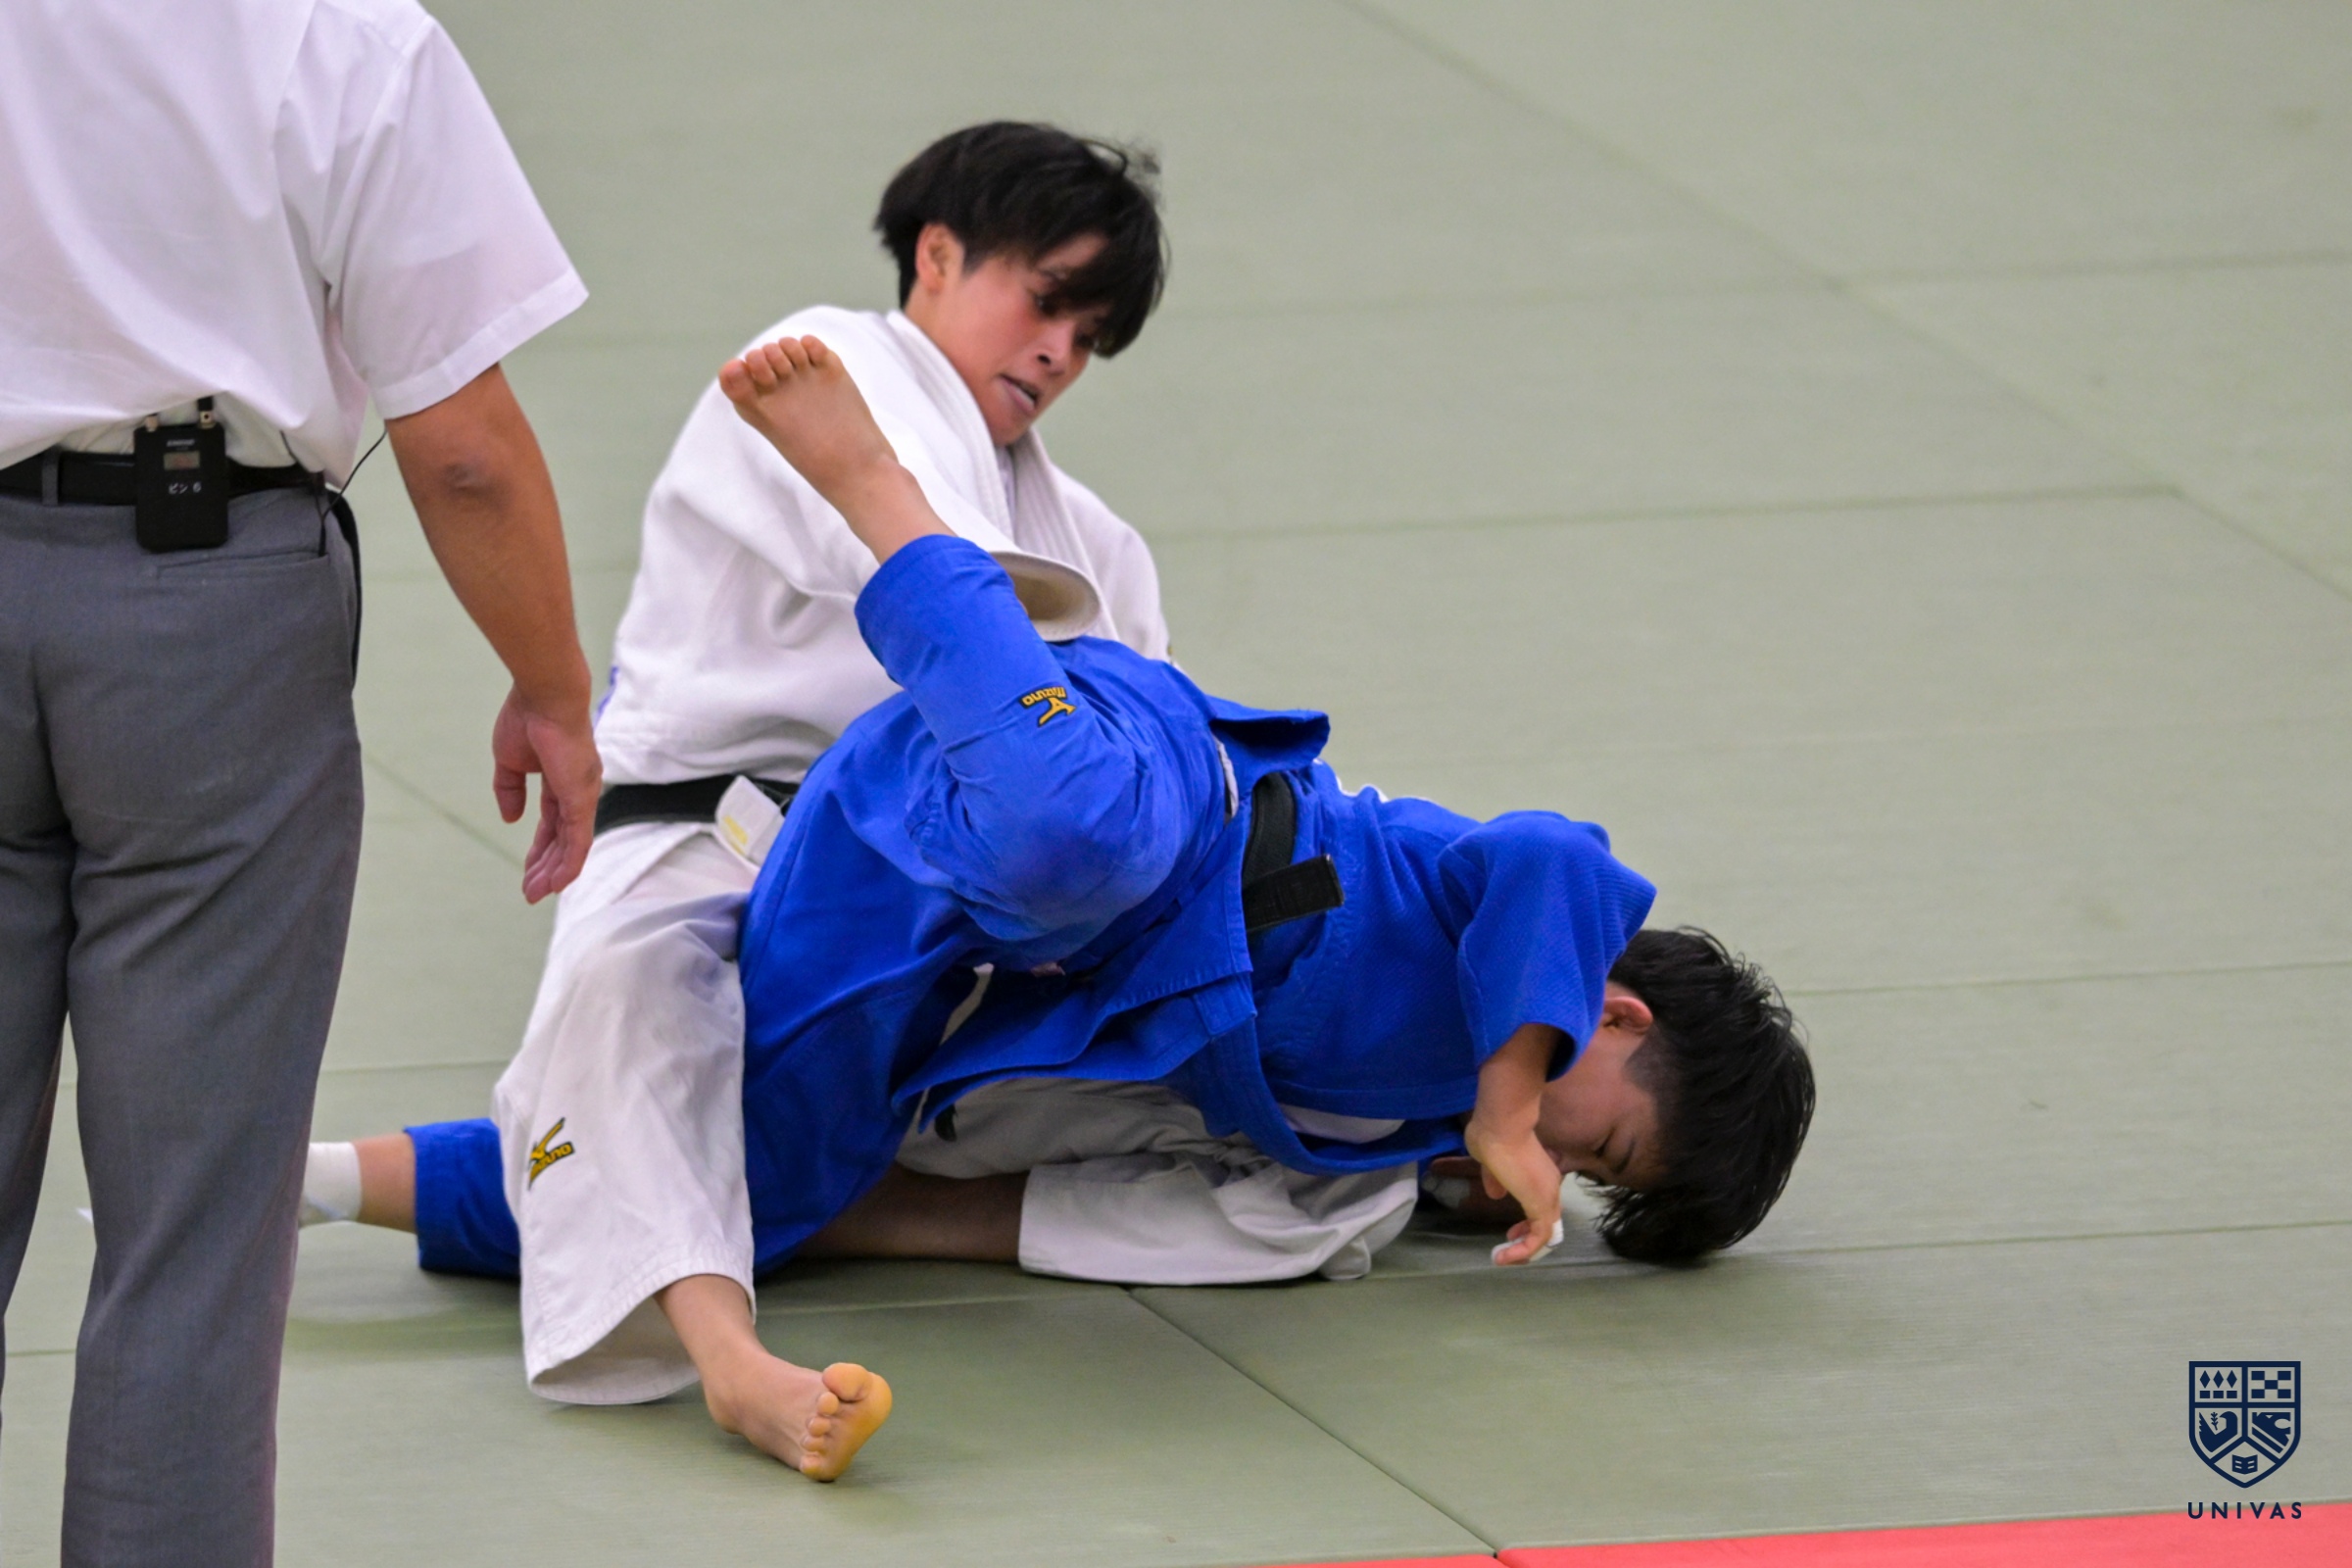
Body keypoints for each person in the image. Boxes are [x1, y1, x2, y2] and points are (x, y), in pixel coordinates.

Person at [345, 335, 1817, 1485]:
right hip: (1150, 788)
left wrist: (1461, 1157)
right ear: (1616, 1011)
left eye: (1588, 1179)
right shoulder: (1535, 924)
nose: (1563, 1162)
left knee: (753, 1182)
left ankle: (313, 1179)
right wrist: (1508, 1103)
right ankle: (883, 497)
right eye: (1601, 1142)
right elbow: (1547, 853)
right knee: (1076, 838)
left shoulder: (1400, 1147)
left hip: (932, 912)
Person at [299, 121, 1212, 1448]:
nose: (1061, 351)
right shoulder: (818, 374)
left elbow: (1135, 748)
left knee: (659, 1137)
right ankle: (733, 1365)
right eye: (1048, 299)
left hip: (928, 884)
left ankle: (315, 1180)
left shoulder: (1094, 538)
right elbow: (926, 571)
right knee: (634, 1015)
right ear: (939, 256)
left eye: (1093, 335)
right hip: (702, 827)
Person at [0, 1, 600, 1562]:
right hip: (207, 615)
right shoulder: (341, 33)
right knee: (192, 1237)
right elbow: (461, 446)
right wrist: (550, 687)